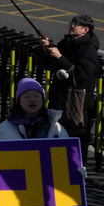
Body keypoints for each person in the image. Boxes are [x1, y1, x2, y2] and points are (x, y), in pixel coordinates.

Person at [39, 15, 100, 160]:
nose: (72, 26)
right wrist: (46, 50)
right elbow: (51, 66)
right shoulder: (67, 42)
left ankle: (77, 170)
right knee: (56, 132)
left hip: (77, 101)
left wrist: (60, 57)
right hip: (60, 97)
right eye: (72, 23)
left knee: (75, 138)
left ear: (85, 30)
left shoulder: (88, 48)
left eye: (77, 24)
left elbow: (81, 73)